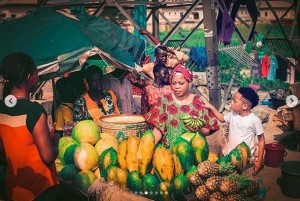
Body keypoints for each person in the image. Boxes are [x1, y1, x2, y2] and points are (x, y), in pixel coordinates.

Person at [0, 52, 59, 201]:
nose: (38, 78)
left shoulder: (2, 107)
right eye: (36, 74)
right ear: (29, 78)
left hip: (15, 189)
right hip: (39, 190)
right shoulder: (33, 111)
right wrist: (57, 137)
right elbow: (48, 156)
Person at [144, 64, 219, 148]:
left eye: (181, 83)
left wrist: (198, 130)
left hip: (193, 153)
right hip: (168, 153)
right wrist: (148, 148)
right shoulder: (164, 101)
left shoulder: (199, 102)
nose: (176, 87)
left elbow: (210, 129)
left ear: (189, 83)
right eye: (174, 83)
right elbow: (158, 129)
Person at [202, 87, 265, 175]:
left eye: (235, 101)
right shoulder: (233, 114)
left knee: (242, 179)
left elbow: (261, 141)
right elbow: (222, 119)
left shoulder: (254, 120)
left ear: (245, 106)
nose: (231, 103)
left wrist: (259, 161)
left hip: (244, 159)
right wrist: (211, 107)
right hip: (229, 156)